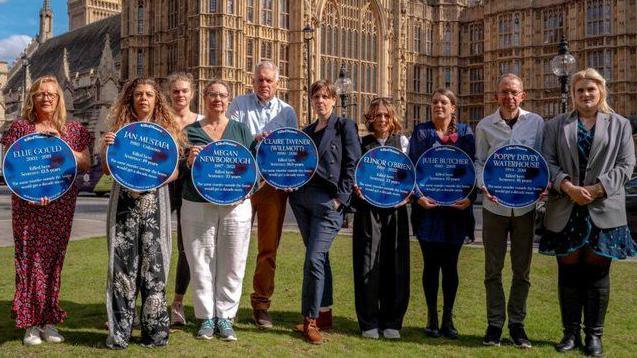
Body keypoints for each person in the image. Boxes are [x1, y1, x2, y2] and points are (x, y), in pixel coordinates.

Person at [540, 68, 636, 356]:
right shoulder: (556, 125)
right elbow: (548, 161)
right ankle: (569, 333)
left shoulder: (619, 124)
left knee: (597, 274)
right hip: (566, 206)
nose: (585, 94)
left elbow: (627, 165)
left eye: (591, 89)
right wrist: (567, 187)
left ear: (601, 92)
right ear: (573, 95)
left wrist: (597, 189)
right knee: (568, 274)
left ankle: (594, 335)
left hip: (603, 206)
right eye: (580, 90)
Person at [1, 75, 90, 346]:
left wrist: (65, 149)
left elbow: (85, 162)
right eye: (40, 94)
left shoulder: (73, 130)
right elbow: (10, 166)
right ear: (32, 98)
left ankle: (48, 320)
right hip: (28, 205)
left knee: (53, 261)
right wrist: (26, 193)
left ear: (60, 99)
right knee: (28, 259)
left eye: (51, 94)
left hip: (60, 205)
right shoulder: (20, 127)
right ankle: (30, 324)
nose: (46, 98)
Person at [101, 77, 184, 349]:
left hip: (154, 203)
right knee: (122, 268)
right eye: (138, 94)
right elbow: (105, 169)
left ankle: (155, 334)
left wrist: (157, 176)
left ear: (156, 99)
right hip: (123, 203)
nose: (144, 99)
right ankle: (119, 333)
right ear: (131, 99)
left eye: (149, 94)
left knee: (154, 267)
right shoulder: (119, 131)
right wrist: (106, 148)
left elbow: (173, 172)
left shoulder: (165, 133)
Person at [181, 79, 254, 341]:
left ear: (229, 99)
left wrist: (248, 189)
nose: (218, 100)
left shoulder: (241, 131)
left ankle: (225, 317)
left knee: (233, 261)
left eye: (222, 95)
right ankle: (206, 318)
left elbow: (254, 167)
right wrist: (188, 161)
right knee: (200, 261)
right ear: (205, 97)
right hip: (197, 203)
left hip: (235, 206)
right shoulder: (190, 131)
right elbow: (177, 169)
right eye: (213, 94)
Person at [474, 73, 544, 348]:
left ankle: (517, 325)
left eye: (514, 92)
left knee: (522, 271)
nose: (509, 97)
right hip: (494, 208)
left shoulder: (536, 123)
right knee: (492, 269)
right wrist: (483, 185)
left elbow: (542, 162)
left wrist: (544, 184)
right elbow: (480, 162)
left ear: (522, 95)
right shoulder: (485, 126)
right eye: (504, 92)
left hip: (526, 208)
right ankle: (494, 325)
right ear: (497, 96)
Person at [289, 80, 361, 344]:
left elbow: (353, 163)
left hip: (329, 203)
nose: (320, 101)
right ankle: (325, 313)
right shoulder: (307, 130)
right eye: (316, 96)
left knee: (314, 259)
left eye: (325, 97)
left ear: (333, 100)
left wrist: (340, 200)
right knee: (318, 258)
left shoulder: (344, 126)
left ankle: (310, 320)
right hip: (303, 200)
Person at [227, 61, 298, 328]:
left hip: (271, 186)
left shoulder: (287, 112)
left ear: (277, 83)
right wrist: (255, 139)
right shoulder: (239, 105)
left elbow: (293, 151)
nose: (264, 84)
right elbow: (230, 141)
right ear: (253, 81)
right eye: (260, 80)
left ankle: (261, 304)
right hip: (244, 183)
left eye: (269, 80)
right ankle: (228, 305)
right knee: (234, 244)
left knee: (268, 248)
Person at [408, 88, 475, 340]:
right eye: (434, 101)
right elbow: (412, 167)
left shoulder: (466, 133)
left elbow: (471, 169)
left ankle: (448, 318)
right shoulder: (421, 131)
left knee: (450, 267)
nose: (438, 105)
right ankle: (432, 317)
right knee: (430, 265)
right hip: (429, 210)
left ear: (453, 107)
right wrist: (418, 196)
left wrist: (470, 198)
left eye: (443, 102)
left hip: (455, 212)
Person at [352, 97, 410, 340]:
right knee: (367, 263)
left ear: (393, 118)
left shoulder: (403, 143)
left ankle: (392, 321)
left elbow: (411, 176)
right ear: (371, 119)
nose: (382, 120)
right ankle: (368, 322)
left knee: (395, 263)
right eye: (377, 115)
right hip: (368, 210)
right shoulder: (361, 144)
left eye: (386, 115)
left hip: (396, 210)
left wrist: (409, 194)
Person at [166, 72, 204, 326]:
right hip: (165, 185)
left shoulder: (201, 123)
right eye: (176, 91)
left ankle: (178, 302)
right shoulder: (161, 122)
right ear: (170, 93)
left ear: (192, 94)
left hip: (190, 187)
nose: (180, 95)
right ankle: (148, 301)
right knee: (151, 244)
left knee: (186, 247)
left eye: (184, 91)